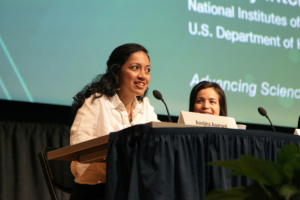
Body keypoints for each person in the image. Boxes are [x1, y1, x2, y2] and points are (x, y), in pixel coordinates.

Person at [69, 43, 159, 200]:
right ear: (117, 73)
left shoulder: (145, 106)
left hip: (132, 190)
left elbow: (159, 140)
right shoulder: (97, 102)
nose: (143, 76)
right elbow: (79, 145)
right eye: (135, 68)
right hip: (96, 191)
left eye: (147, 70)